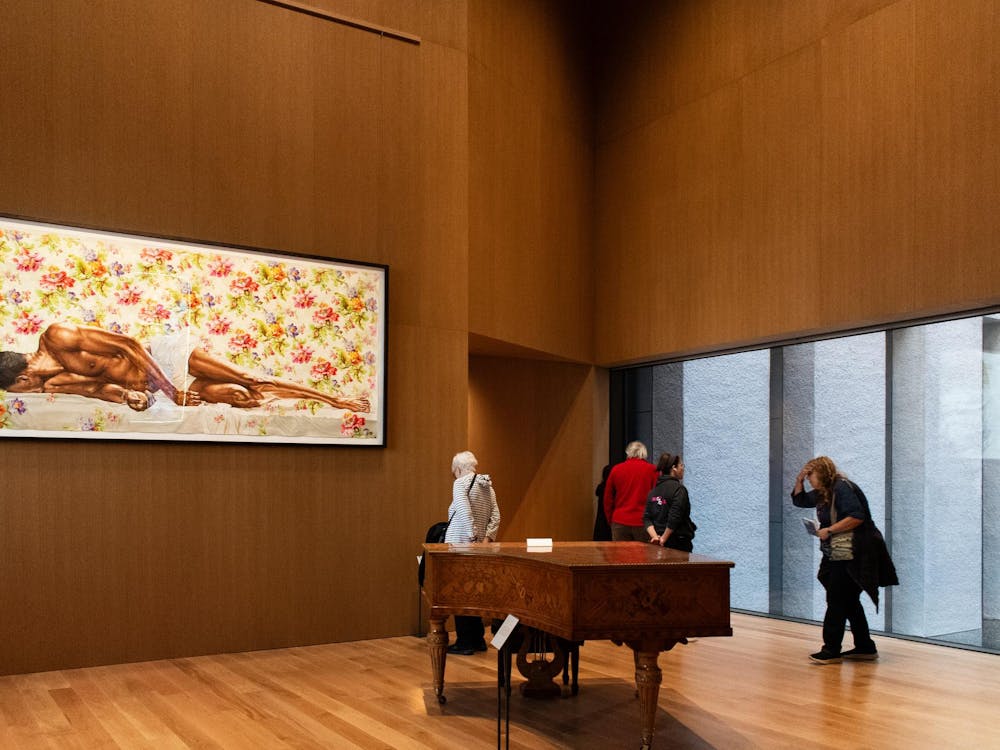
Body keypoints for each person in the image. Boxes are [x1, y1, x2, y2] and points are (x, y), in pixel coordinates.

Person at [0, 322, 370, 412]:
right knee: (242, 397)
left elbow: (128, 344)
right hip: (161, 389)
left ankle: (334, 400)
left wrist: (166, 389)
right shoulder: (57, 381)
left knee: (251, 378)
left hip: (167, 360)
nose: (31, 394)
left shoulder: (58, 335)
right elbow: (99, 389)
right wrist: (128, 396)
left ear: (21, 377)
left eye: (22, 390)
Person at [791, 456, 898, 665]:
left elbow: (857, 516)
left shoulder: (842, 488)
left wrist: (829, 529)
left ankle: (831, 649)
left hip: (853, 551)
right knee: (848, 600)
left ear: (821, 473)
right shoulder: (825, 491)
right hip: (838, 552)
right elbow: (800, 500)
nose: (809, 480)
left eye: (810, 475)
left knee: (837, 598)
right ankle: (865, 646)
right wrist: (799, 480)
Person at [444, 450, 500, 655]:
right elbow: (496, 516)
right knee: (475, 592)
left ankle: (465, 641)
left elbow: (464, 510)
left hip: (461, 544)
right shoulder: (487, 485)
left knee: (460, 592)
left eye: (453, 471)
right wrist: (486, 539)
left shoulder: (460, 484)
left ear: (458, 469)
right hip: (480, 547)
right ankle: (477, 639)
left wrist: (471, 537)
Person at [603, 441, 659, 541]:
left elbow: (608, 498)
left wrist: (611, 519)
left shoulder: (616, 469)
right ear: (644, 453)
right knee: (644, 556)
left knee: (620, 556)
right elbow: (657, 497)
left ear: (628, 453)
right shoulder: (652, 471)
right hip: (643, 523)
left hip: (620, 520)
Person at [643, 453, 696, 552]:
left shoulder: (653, 491)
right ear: (674, 468)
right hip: (677, 542)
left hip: (657, 542)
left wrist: (655, 538)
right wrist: (663, 539)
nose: (683, 469)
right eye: (681, 465)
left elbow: (646, 517)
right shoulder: (679, 490)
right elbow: (674, 517)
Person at [592, 464, 613, 541]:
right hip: (610, 516)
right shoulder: (612, 487)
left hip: (601, 516)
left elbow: (597, 492)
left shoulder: (601, 486)